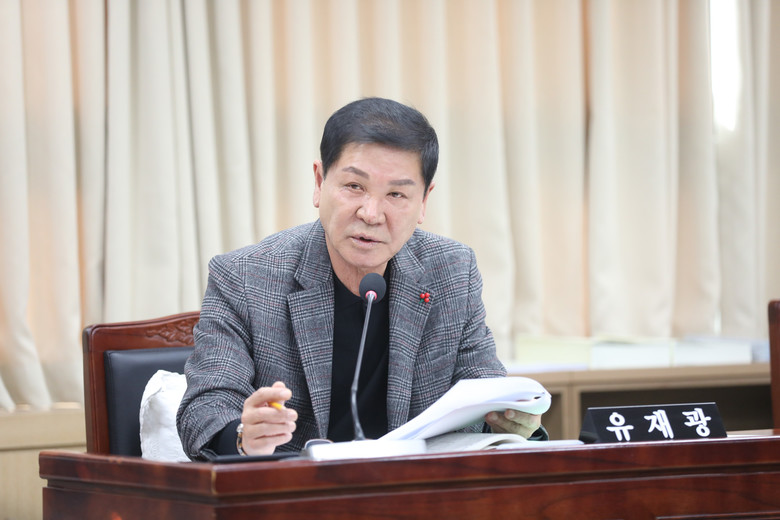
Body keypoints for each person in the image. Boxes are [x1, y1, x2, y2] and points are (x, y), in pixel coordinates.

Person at [177, 97, 545, 460]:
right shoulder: (245, 277)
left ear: (423, 201)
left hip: (415, 488)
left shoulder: (451, 271)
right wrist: (245, 436)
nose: (371, 214)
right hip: (296, 489)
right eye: (354, 186)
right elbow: (204, 409)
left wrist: (512, 421)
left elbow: (485, 396)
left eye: (396, 194)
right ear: (319, 182)